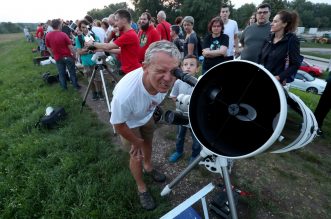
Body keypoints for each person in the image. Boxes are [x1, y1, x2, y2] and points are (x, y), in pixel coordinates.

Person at [110, 40, 181, 210]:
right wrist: (135, 140)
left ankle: (148, 167)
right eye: (161, 71)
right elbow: (118, 124)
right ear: (145, 67)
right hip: (128, 123)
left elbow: (155, 101)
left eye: (173, 71)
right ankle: (141, 187)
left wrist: (151, 114)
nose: (168, 78)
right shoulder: (125, 95)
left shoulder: (165, 82)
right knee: (136, 154)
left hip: (146, 116)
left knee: (148, 142)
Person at [85, 9, 141, 75]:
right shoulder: (127, 33)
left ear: (124, 20)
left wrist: (93, 43)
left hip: (132, 71)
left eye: (117, 20)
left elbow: (108, 46)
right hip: (131, 70)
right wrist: (100, 49)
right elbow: (121, 50)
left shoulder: (129, 34)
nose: (116, 23)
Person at [168, 55, 201, 164]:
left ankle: (195, 156)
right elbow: (173, 95)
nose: (188, 67)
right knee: (179, 136)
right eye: (185, 64)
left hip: (194, 117)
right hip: (180, 114)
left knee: (197, 139)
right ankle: (178, 151)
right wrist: (180, 103)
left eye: (192, 65)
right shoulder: (178, 82)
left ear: (197, 69)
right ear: (181, 68)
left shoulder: (199, 83)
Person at [258, 10, 301, 85]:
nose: (271, 24)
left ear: (284, 24)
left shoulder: (292, 40)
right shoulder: (269, 38)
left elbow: (296, 64)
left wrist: (279, 77)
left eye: (275, 22)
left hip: (276, 83)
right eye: (272, 21)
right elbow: (260, 57)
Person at [45, 19, 80, 90]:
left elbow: (48, 47)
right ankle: (75, 86)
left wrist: (53, 54)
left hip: (58, 57)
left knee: (61, 73)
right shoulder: (63, 34)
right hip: (67, 56)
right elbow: (71, 48)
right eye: (61, 24)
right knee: (72, 72)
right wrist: (75, 56)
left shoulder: (48, 35)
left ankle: (64, 87)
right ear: (59, 25)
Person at [75, 19, 104, 100]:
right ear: (80, 28)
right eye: (82, 27)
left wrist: (86, 49)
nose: (84, 29)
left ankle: (100, 93)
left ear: (89, 26)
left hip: (96, 60)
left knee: (98, 78)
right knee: (90, 78)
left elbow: (100, 48)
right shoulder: (79, 38)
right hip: (86, 62)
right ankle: (94, 93)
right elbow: (79, 52)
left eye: (85, 26)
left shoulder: (94, 36)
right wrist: (89, 49)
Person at [314, 70, 331, 136]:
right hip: (328, 95)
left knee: (322, 111)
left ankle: (316, 125)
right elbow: (328, 79)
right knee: (321, 111)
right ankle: (316, 126)